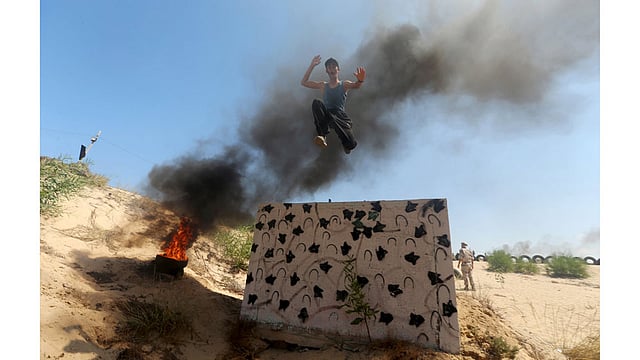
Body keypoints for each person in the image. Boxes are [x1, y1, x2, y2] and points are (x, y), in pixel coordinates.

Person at [300, 55, 366, 154]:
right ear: (326, 71)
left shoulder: (344, 84)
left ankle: (347, 144)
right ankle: (322, 135)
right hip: (327, 114)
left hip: (340, 116)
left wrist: (360, 80)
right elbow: (304, 82)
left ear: (338, 69)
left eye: (333, 66)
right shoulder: (323, 85)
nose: (331, 69)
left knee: (351, 145)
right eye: (329, 67)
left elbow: (356, 85)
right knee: (316, 103)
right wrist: (312, 66)